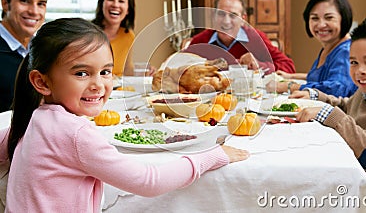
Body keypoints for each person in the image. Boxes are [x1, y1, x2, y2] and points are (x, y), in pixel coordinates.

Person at [0, 18, 249, 212]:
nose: (98, 84)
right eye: (81, 73)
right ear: (41, 82)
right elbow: (148, 181)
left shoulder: (33, 119)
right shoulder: (75, 133)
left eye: (106, 72)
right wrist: (211, 156)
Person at [292, 17, 366, 202]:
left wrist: (332, 116)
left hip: (361, 196)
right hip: (343, 173)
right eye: (354, 62)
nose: (360, 71)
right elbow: (347, 105)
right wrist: (319, 97)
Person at [267, 0, 358, 97]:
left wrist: (288, 86)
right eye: (315, 18)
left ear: (343, 19)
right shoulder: (330, 47)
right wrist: (290, 76)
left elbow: (337, 89)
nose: (321, 25)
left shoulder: (346, 51)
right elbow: (322, 78)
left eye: (329, 18)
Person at [187, 0, 295, 74]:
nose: (226, 21)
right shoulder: (200, 41)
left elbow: (288, 66)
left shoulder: (256, 38)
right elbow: (180, 68)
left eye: (233, 15)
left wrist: (258, 65)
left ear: (243, 19)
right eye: (221, 14)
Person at [0, 0, 49, 112]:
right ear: (5, 3)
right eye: (24, 1)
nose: (34, 11)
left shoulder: (43, 48)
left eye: (41, 4)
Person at [92, 0, 155, 77]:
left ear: (128, 10)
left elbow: (127, 70)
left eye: (121, 1)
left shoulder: (128, 36)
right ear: (102, 4)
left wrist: (146, 72)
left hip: (118, 90)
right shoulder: (87, 33)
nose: (115, 5)